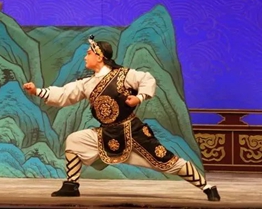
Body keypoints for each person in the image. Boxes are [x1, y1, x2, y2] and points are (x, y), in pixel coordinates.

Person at [23, 35, 220, 202]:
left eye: (88, 53)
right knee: (75, 141)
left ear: (99, 56)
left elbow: (147, 79)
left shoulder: (123, 75)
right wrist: (37, 91)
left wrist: (139, 98)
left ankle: (207, 187)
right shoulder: (87, 83)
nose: (85, 57)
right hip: (108, 132)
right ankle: (71, 185)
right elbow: (64, 94)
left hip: (132, 131)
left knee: (167, 161)